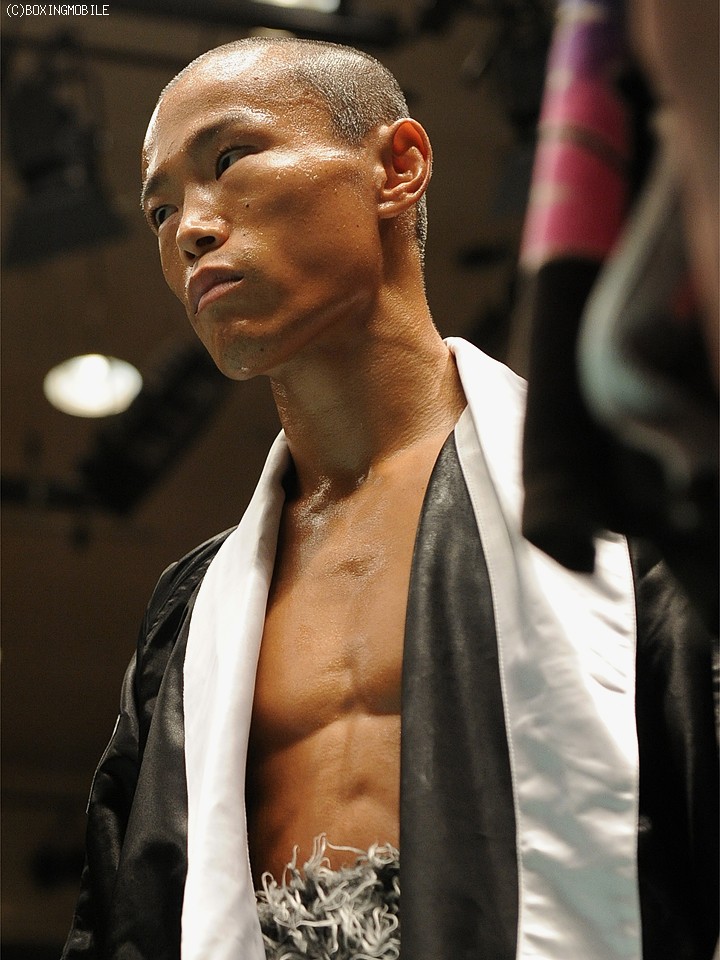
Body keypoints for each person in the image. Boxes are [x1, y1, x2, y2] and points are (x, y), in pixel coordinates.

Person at [62, 38, 718, 960]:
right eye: (161, 209)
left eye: (231, 159)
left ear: (398, 167)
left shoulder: (616, 512)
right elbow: (121, 917)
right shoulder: (188, 611)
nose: (190, 230)